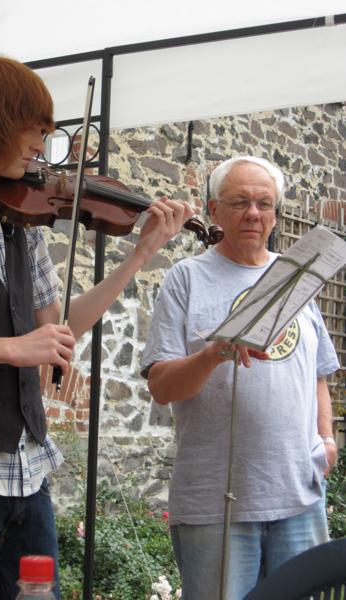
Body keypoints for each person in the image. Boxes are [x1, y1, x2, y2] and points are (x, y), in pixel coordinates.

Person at [0, 55, 193, 600]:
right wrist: (11, 348)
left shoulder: (17, 216)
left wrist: (140, 255)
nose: (41, 145)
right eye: (33, 129)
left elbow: (56, 329)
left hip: (26, 469)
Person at [141, 156, 340, 600]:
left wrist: (326, 439)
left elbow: (319, 372)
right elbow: (161, 386)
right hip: (216, 503)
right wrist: (213, 354)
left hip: (300, 497)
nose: (253, 213)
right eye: (240, 202)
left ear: (275, 215)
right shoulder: (187, 278)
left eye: (264, 204)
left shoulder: (298, 279)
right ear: (214, 210)